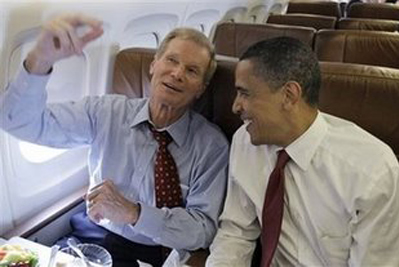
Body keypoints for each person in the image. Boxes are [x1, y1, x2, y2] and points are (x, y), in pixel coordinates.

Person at [0, 13, 229, 267]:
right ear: (153, 65)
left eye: (192, 70)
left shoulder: (212, 146)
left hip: (161, 250)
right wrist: (40, 59)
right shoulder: (105, 112)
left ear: (201, 88)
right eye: (171, 60)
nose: (177, 73)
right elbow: (18, 122)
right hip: (95, 236)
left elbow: (203, 229)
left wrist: (134, 213)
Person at [206, 37, 399, 266]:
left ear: (289, 95)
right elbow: (236, 233)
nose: (235, 106)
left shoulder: (372, 169)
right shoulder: (246, 141)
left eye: (245, 93)